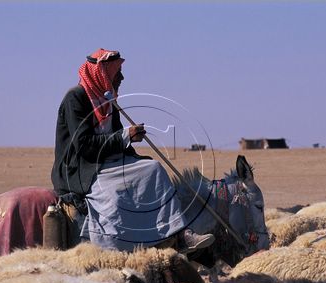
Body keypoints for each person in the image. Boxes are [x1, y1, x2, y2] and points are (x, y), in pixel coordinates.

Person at [51, 48, 214, 253]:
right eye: (117, 72)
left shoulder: (108, 101)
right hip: (82, 168)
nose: (121, 77)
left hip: (109, 162)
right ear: (103, 73)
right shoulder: (75, 98)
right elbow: (83, 145)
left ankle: (178, 234)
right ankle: (112, 246)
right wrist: (125, 136)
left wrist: (130, 138)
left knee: (153, 168)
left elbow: (117, 139)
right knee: (115, 194)